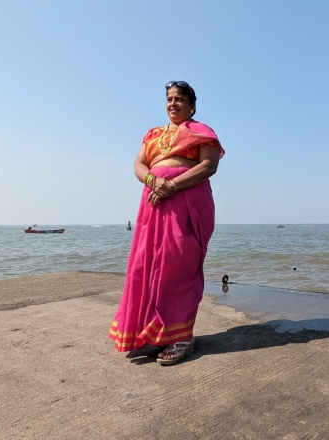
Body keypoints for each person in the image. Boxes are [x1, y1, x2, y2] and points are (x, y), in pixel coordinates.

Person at [109, 81, 225, 365]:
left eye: (180, 99)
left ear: (191, 105)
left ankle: (182, 337)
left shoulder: (201, 132)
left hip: (187, 202)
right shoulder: (153, 134)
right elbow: (139, 165)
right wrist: (153, 180)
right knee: (145, 267)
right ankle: (154, 336)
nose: (173, 103)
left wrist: (172, 185)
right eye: (169, 99)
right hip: (154, 202)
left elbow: (208, 166)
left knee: (178, 264)